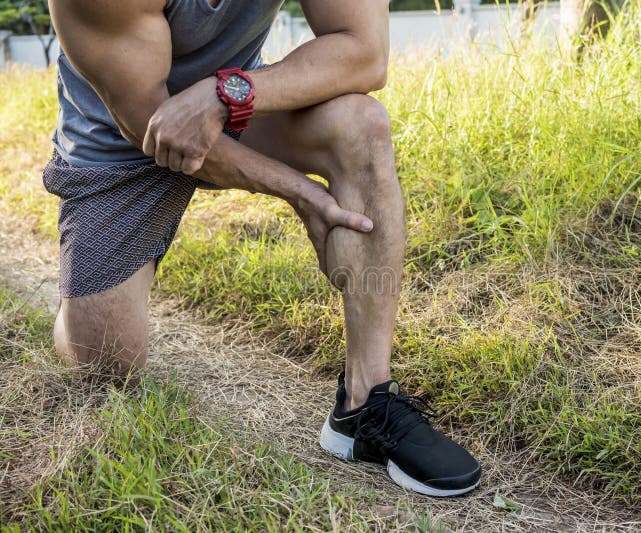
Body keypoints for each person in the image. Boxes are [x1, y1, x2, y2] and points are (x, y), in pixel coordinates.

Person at [45, 0, 480, 497]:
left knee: (361, 125)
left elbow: (364, 54)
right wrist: (297, 189)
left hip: (229, 107)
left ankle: (365, 404)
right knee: (107, 364)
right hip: (122, 140)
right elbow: (151, 122)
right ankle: (72, 302)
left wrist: (229, 93)